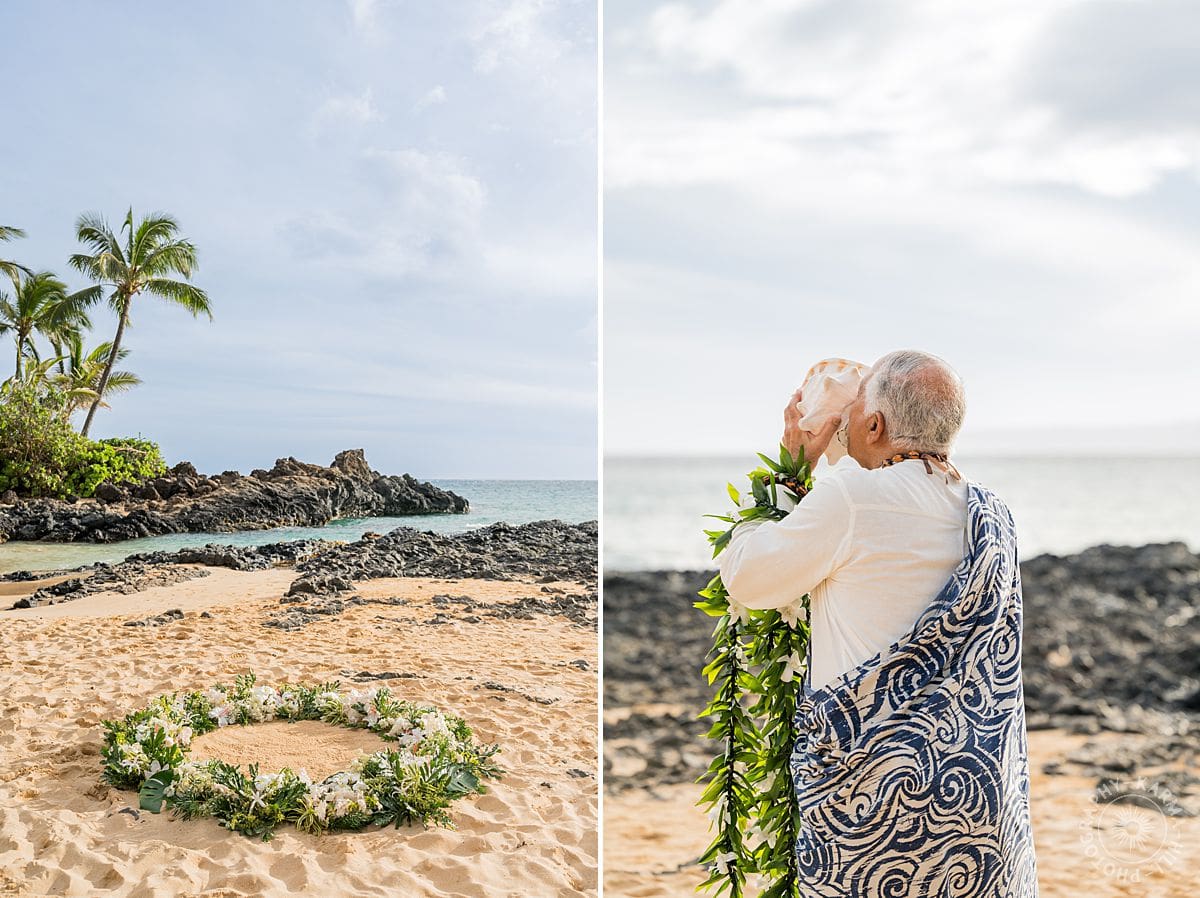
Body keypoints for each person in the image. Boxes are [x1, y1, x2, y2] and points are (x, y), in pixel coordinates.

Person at [719, 349, 1039, 897]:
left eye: (854, 416)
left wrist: (789, 469)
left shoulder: (851, 498)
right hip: (981, 794)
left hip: (871, 802)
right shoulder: (994, 514)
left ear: (874, 424)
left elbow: (749, 578)